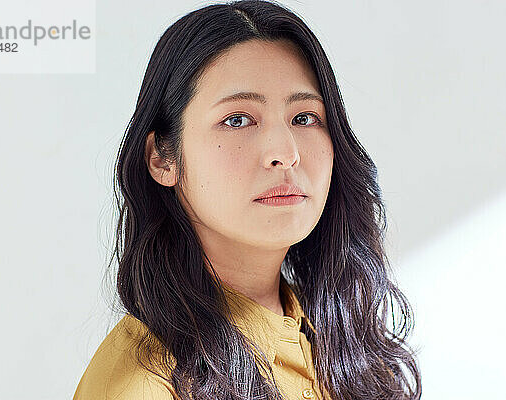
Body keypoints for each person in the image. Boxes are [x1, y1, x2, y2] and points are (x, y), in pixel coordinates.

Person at [73, 1, 421, 399]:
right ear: (161, 157)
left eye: (304, 118)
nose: (285, 151)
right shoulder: (144, 385)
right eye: (238, 119)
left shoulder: (343, 344)